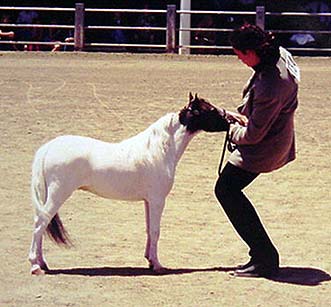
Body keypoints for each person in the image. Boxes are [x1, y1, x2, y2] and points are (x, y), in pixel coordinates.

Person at [214, 24, 300, 278]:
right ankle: (261, 254)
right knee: (228, 189)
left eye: (241, 53)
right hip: (276, 134)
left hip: (264, 146)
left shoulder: (271, 86)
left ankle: (265, 257)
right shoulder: (278, 54)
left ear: (254, 51)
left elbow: (253, 135)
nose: (239, 58)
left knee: (226, 190)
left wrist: (229, 128)